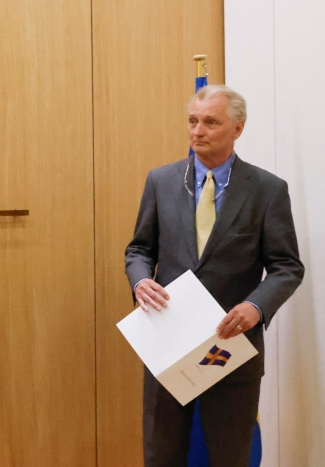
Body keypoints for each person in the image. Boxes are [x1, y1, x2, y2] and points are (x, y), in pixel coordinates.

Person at [125, 84, 303, 466]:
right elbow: (139, 249)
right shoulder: (161, 181)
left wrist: (256, 306)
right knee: (162, 455)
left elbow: (287, 266)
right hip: (168, 345)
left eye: (210, 122)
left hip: (231, 347)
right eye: (192, 121)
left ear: (237, 129)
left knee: (229, 456)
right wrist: (141, 281)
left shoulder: (267, 190)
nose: (197, 131)